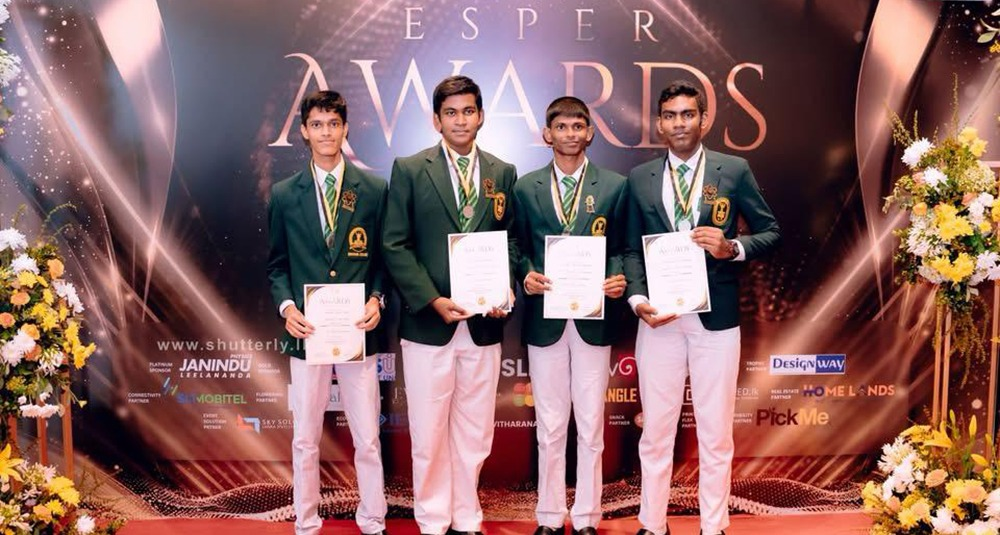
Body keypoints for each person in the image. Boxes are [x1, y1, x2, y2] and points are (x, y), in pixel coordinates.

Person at [623, 80, 780, 535]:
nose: (679, 123)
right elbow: (630, 250)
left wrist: (732, 247)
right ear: (659, 123)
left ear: (704, 119)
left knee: (715, 430)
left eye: (688, 114)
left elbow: (771, 232)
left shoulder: (733, 169)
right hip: (659, 319)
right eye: (670, 116)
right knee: (657, 429)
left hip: (716, 318)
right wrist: (638, 300)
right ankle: (653, 524)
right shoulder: (640, 178)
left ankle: (714, 526)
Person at [381, 75, 518, 535]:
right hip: (429, 323)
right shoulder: (410, 169)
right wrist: (431, 299)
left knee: (476, 430)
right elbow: (395, 244)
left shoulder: (502, 172)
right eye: (451, 113)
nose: (461, 120)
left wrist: (504, 290)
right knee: (429, 430)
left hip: (483, 324)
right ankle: (434, 521)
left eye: (468, 111)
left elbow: (510, 242)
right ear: (437, 120)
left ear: (481, 116)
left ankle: (467, 518)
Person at [266, 90, 389, 535]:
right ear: (304, 131)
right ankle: (306, 521)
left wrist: (377, 299)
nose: (325, 132)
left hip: (358, 330)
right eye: (317, 124)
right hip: (308, 331)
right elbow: (277, 265)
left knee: (367, 437)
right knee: (305, 437)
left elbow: (384, 259)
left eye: (333, 124)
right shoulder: (284, 194)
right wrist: (287, 307)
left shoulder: (373, 189)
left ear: (345, 128)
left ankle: (373, 519)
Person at [512, 96, 628, 535]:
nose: (570, 133)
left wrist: (616, 277)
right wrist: (525, 275)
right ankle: (548, 516)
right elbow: (516, 246)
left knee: (591, 424)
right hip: (545, 317)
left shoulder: (614, 186)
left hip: (594, 317)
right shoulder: (526, 187)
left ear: (590, 132)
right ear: (547, 134)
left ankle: (586, 517)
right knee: (550, 424)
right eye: (561, 126)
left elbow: (622, 248)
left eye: (578, 126)